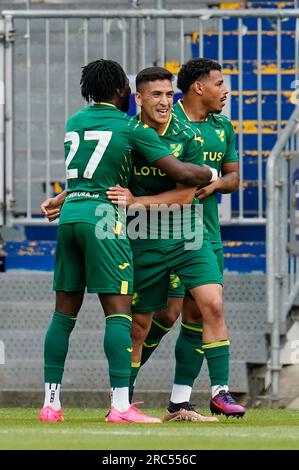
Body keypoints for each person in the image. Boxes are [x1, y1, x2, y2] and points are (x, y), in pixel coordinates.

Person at [39, 59, 215, 424]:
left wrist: (60, 199)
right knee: (119, 313)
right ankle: (121, 405)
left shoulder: (75, 121)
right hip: (104, 219)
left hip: (71, 215)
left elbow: (88, 171)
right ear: (123, 91)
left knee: (62, 316)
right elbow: (182, 173)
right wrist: (210, 171)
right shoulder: (129, 127)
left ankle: (51, 404)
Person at [107, 66, 230, 422]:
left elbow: (187, 193)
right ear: (139, 98)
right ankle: (122, 401)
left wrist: (138, 201)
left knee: (213, 304)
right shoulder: (126, 134)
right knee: (140, 325)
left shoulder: (187, 134)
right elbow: (103, 177)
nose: (163, 102)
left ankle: (220, 392)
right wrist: (69, 196)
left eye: (167, 95)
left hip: (189, 236)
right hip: (143, 240)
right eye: (156, 95)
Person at [131, 58, 245, 418]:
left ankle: (185, 399)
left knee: (204, 308)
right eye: (220, 83)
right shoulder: (165, 120)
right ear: (199, 87)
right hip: (158, 233)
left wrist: (212, 184)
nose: (226, 91)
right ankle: (124, 388)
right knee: (162, 315)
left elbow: (233, 177)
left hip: (204, 233)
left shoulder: (223, 126)